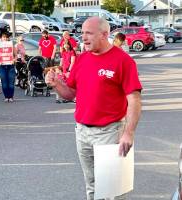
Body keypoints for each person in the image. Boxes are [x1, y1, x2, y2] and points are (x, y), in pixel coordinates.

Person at [45, 17, 142, 200]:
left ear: (104, 34)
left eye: (88, 33)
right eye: (82, 33)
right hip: (82, 132)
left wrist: (129, 132)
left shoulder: (123, 61)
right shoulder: (81, 60)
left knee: (113, 191)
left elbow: (134, 99)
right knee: (92, 186)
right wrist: (56, 84)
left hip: (110, 132)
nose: (83, 37)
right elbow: (70, 93)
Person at [0, 32, 17, 103]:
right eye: (4, 37)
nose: (5, 39)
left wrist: (14, 60)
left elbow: (15, 55)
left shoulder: (12, 45)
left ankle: (11, 97)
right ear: (1, 38)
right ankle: (6, 97)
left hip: (10, 66)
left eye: (6, 37)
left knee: (11, 82)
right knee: (4, 82)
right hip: (1, 66)